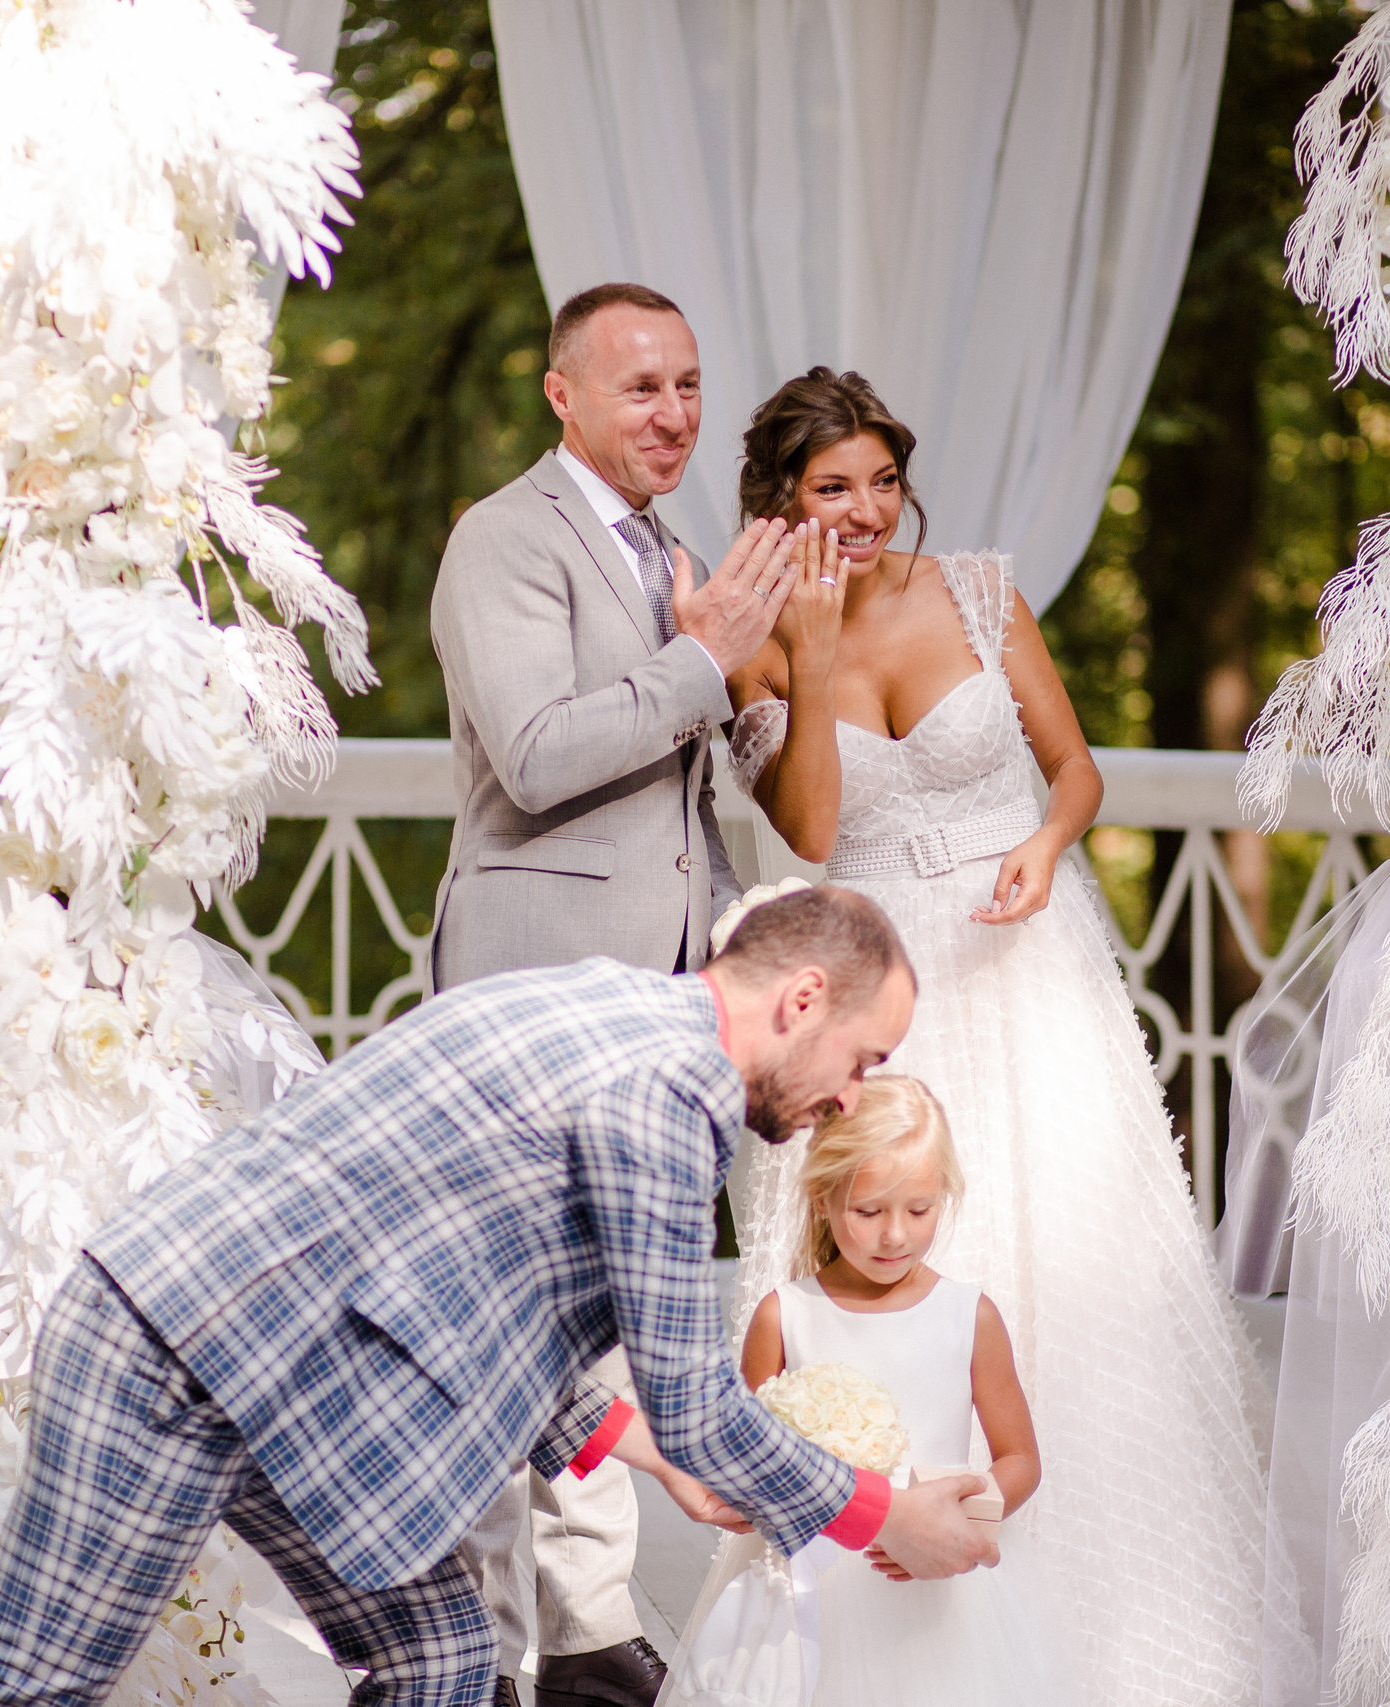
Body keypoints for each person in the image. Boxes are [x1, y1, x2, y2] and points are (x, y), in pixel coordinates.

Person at [0, 886, 1005, 1707]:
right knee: (26, 1692)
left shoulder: (618, 1009)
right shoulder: (669, 1093)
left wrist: (661, 1463)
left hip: (277, 1362)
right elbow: (697, 1404)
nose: (849, 1097)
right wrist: (886, 1516)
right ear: (802, 997)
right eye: (862, 1059)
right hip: (171, 1344)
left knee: (438, 1653)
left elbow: (488, 1306)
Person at [719, 368, 1267, 1706]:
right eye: (828, 488)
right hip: (872, 994)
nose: (862, 510)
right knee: (892, 1259)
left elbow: (1076, 764)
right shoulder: (760, 640)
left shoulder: (977, 588)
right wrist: (820, 643)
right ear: (783, 503)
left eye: (879, 481)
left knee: (1071, 1277)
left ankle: (1116, 1639)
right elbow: (805, 827)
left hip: (1026, 960)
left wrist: (1044, 839)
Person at [427, 281, 802, 1707]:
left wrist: (760, 690)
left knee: (598, 1303)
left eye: (691, 385)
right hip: (537, 973)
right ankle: (484, 1646)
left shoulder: (675, 549)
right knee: (511, 1310)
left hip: (663, 984)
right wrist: (704, 660)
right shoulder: (504, 540)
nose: (675, 413)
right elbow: (533, 752)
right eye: (641, 385)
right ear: (562, 393)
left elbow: (688, 760)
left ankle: (587, 1632)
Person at [662, 1076, 1074, 1707]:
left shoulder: (970, 1316)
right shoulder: (784, 1315)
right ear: (823, 1200)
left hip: (937, 1589)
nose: (894, 1236)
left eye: (919, 1209)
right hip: (810, 1588)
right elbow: (737, 1456)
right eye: (869, 1210)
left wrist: (960, 1518)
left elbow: (1020, 1459)